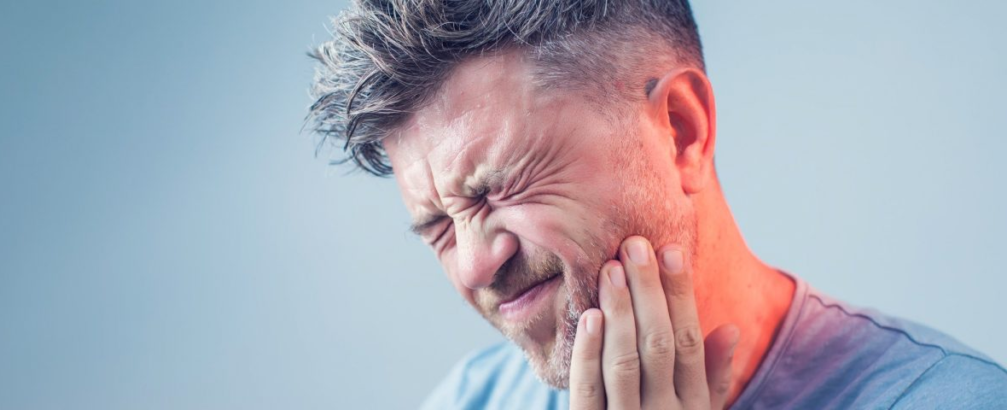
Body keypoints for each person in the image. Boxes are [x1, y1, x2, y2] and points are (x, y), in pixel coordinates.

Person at [307, 1, 1007, 408]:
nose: (473, 265)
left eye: (501, 187)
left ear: (681, 131)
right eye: (437, 227)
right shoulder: (469, 401)